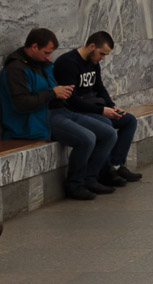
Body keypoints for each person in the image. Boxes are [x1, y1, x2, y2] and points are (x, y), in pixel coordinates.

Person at [0, 28, 119, 200]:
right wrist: (53, 93)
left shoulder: (44, 65)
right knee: (87, 138)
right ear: (34, 47)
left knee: (108, 133)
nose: (49, 58)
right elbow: (21, 104)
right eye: (46, 53)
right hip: (36, 119)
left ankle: (91, 178)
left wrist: (65, 93)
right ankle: (75, 184)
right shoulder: (15, 70)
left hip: (59, 110)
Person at [52, 31, 142, 187]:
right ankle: (104, 171)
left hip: (94, 107)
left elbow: (100, 88)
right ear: (92, 46)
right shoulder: (68, 63)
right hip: (76, 110)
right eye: (101, 54)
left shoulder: (93, 62)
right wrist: (102, 111)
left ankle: (115, 165)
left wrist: (111, 106)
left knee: (129, 120)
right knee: (105, 125)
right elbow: (72, 100)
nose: (102, 58)